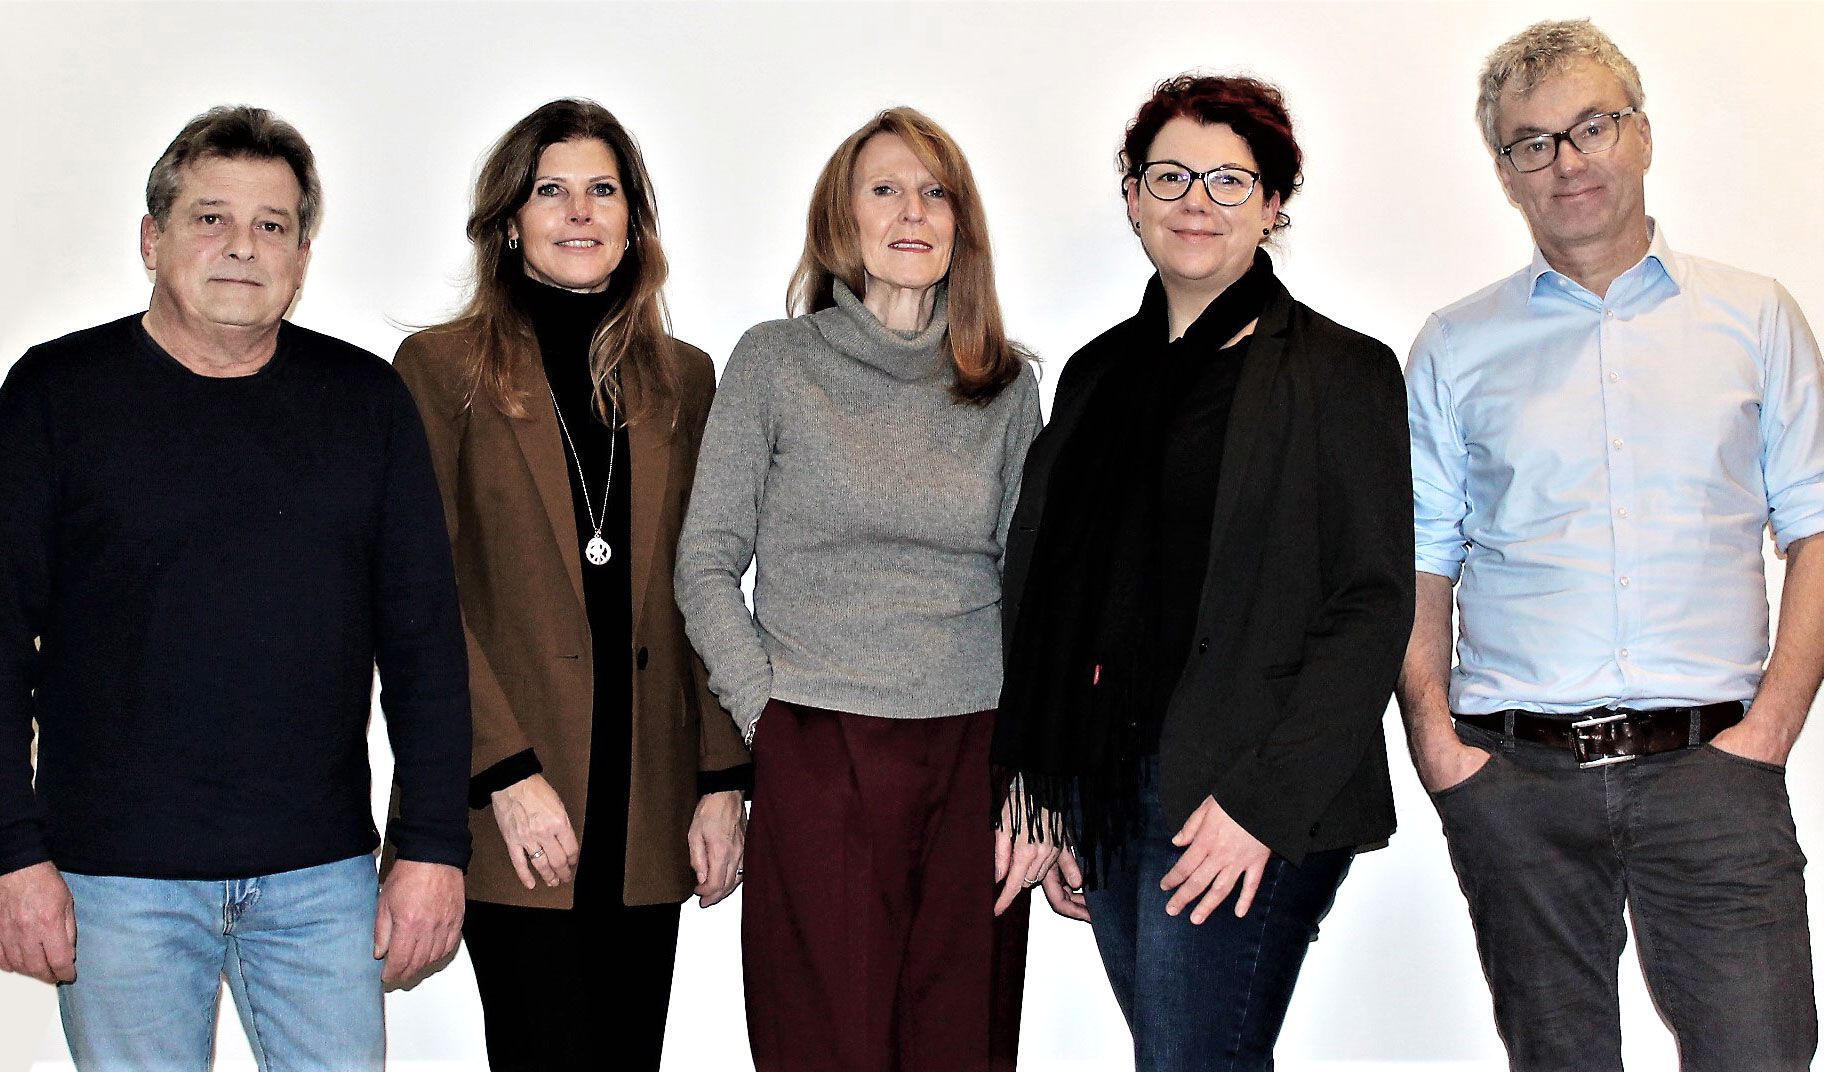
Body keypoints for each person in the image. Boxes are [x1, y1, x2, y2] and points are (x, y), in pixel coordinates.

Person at [0, 105, 470, 1072]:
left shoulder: (365, 403)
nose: (242, 249)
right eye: (210, 218)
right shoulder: (54, 394)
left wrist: (432, 846)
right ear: (152, 238)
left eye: (273, 226)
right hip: (112, 879)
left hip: (321, 880)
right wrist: (11, 850)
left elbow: (424, 644)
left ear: (301, 256)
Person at [1399, 19, 1822, 1072]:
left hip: (1714, 774)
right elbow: (1419, 558)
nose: (1568, 160)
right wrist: (1442, 749)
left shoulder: (1754, 316)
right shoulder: (1456, 344)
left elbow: (1817, 529)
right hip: (1515, 777)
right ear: (1506, 173)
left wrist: (1770, 728)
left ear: (1641, 136)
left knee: (1760, 1055)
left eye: (1592, 126)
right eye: (1532, 143)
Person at [993, 74, 1412, 1072]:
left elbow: (1371, 602)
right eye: (1170, 174)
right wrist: (1048, 793)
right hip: (1109, 784)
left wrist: (1261, 801)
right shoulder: (1093, 378)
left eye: (1230, 180)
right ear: (1132, 195)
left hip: (1255, 786)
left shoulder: (1341, 373)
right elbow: (1050, 589)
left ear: (1273, 206)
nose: (1195, 200)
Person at [674, 106, 1042, 1072]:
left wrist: (1034, 766)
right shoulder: (776, 363)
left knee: (962, 1039)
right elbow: (705, 559)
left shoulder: (1004, 386)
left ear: (963, 222)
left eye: (935, 191)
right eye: (884, 188)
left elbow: (1027, 584)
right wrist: (770, 718)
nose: (911, 211)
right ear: (842, 219)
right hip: (820, 744)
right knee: (823, 1043)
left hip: (974, 749)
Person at [392, 98, 749, 1072]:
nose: (579, 211)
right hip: (516, 814)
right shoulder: (439, 369)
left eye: (603, 190)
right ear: (510, 222)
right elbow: (420, 597)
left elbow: (703, 584)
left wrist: (722, 780)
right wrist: (502, 772)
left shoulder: (687, 378)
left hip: (649, 808)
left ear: (634, 221)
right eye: (551, 190)